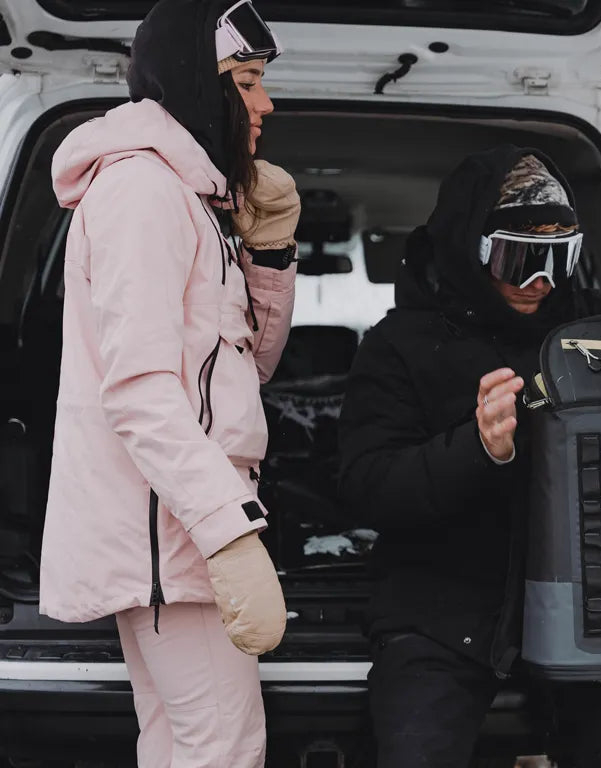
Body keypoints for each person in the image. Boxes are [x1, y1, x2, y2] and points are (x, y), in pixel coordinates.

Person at [337, 146, 601, 767]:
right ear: (468, 245)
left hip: (592, 605)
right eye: (519, 257)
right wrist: (477, 448)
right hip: (445, 611)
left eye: (560, 258)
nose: (540, 281)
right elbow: (366, 484)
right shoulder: (400, 346)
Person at [40, 1, 299, 765]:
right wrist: (229, 531)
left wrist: (272, 259)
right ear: (198, 83)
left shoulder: (188, 199)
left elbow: (239, 376)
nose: (265, 103)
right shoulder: (145, 194)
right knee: (222, 747)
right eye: (248, 81)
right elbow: (141, 393)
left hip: (178, 533)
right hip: (173, 540)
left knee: (181, 743)